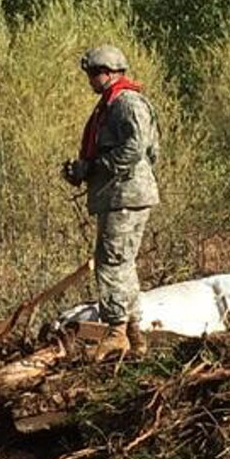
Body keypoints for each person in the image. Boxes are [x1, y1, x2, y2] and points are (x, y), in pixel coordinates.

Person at [63, 45, 160, 361]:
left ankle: (117, 331)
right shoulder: (111, 105)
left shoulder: (126, 103)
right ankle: (133, 334)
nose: (90, 79)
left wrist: (96, 167)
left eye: (93, 73)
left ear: (108, 72)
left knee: (111, 262)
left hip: (125, 195)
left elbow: (136, 149)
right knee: (122, 263)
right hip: (119, 194)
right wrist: (83, 169)